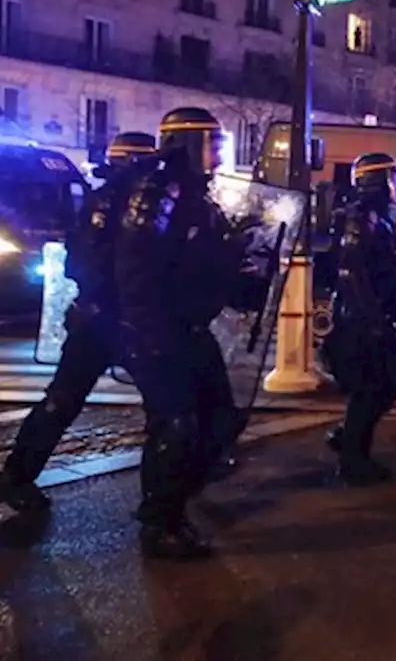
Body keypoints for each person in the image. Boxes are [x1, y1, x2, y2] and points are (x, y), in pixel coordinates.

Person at [0, 133, 158, 513]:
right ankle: (163, 498)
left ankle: (17, 477)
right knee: (162, 404)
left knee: (65, 399)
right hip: (112, 320)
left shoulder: (100, 201)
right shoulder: (118, 206)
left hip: (100, 318)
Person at [114, 107, 244, 560]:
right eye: (212, 143)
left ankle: (178, 500)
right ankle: (159, 523)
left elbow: (203, 265)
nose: (218, 154)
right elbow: (137, 271)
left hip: (190, 327)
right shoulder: (157, 193)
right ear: (190, 143)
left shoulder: (197, 195)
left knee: (221, 420)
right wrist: (149, 335)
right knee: (175, 426)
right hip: (162, 330)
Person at [323, 152, 396, 484]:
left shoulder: (379, 218)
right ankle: (353, 457)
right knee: (376, 385)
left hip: (371, 316)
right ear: (378, 182)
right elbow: (354, 273)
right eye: (392, 179)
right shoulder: (361, 218)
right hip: (360, 321)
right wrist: (374, 322)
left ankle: (350, 440)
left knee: (386, 382)